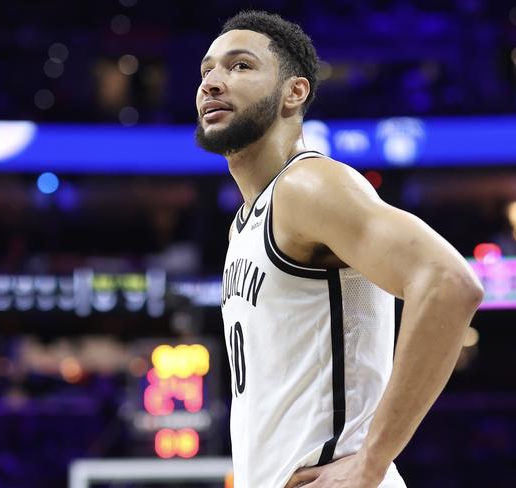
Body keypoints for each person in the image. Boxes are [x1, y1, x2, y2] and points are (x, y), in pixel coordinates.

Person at [195, 10, 484, 488]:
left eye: (240, 66)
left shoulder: (308, 185)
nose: (212, 83)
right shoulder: (245, 223)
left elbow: (449, 283)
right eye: (207, 70)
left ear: (295, 92)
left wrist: (371, 461)